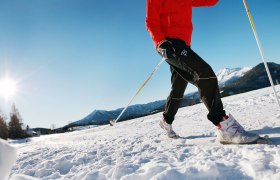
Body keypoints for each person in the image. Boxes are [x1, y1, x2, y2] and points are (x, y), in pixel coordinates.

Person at [146, 0, 259, 144]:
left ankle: (166, 120)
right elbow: (150, 21)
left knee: (179, 87)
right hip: (169, 44)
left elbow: (209, 1)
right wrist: (160, 42)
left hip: (184, 45)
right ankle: (223, 125)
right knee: (206, 75)